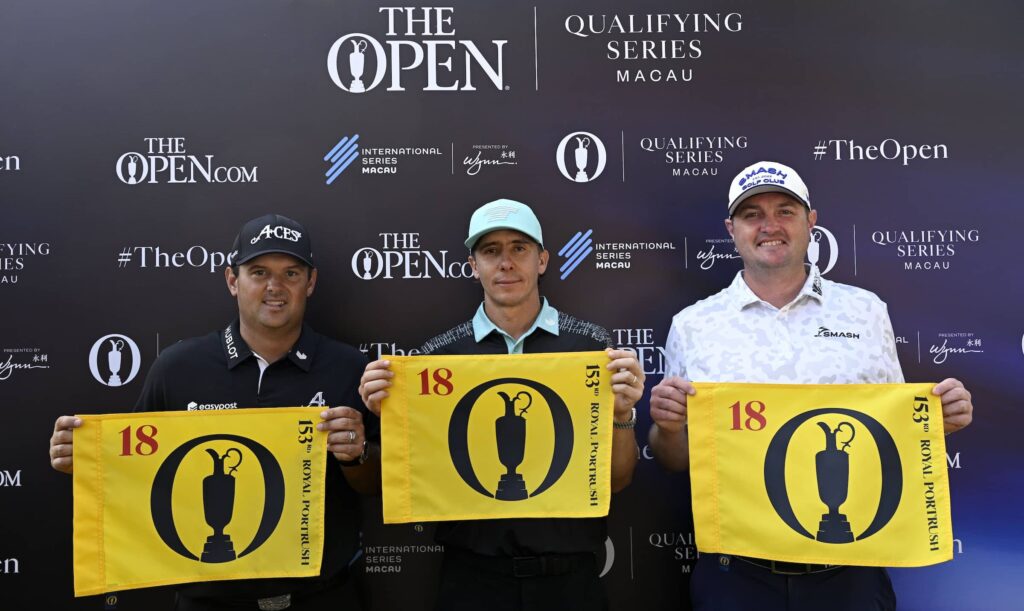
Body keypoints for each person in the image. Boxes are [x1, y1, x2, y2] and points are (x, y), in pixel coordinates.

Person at [648, 161, 975, 611]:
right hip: (738, 574)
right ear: (731, 229)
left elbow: (895, 434)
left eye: (785, 211)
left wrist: (938, 423)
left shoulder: (865, 312)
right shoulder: (692, 325)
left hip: (850, 570)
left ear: (811, 222)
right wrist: (667, 428)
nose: (769, 226)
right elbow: (675, 459)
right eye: (752, 215)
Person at [49, 213, 380, 611]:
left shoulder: (349, 367)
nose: (275, 287)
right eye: (258, 272)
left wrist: (356, 453)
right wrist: (85, 460)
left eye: (291, 273)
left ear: (310, 283)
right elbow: (134, 475)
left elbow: (375, 483)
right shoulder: (178, 368)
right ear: (231, 280)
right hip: (209, 601)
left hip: (322, 598)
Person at [359, 199, 643, 611]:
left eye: (519, 248)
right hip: (471, 580)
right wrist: (387, 416)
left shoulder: (591, 349)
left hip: (570, 581)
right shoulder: (436, 359)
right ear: (473, 266)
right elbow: (411, 473)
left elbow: (616, 481)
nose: (506, 262)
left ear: (542, 260)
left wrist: (622, 415)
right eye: (491, 251)